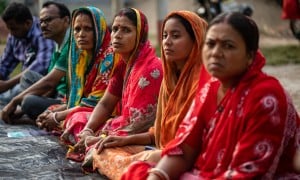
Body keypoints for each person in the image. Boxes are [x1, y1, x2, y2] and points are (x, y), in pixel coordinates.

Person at [122, 12, 300, 180]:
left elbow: (248, 173)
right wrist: (158, 175)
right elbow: (183, 150)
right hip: (205, 172)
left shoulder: (266, 97)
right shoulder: (209, 89)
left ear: (250, 56)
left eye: (228, 46)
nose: (216, 52)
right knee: (138, 171)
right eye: (211, 44)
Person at [87, 11, 207, 179]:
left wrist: (141, 150)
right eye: (164, 35)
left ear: (196, 40)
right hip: (162, 150)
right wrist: (123, 140)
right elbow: (157, 132)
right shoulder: (171, 80)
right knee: (104, 150)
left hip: (186, 158)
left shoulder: (201, 84)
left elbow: (190, 145)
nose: (167, 42)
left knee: (118, 158)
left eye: (176, 36)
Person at [62, 7, 163, 163]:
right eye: (115, 29)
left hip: (140, 133)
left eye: (126, 30)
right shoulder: (123, 64)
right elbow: (106, 103)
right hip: (121, 123)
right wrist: (89, 130)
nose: (117, 35)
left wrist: (99, 137)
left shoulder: (151, 70)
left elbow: (137, 124)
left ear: (140, 36)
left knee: (102, 151)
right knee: (78, 120)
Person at [35, 6, 118, 135]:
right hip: (85, 107)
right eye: (77, 29)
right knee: (50, 110)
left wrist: (58, 117)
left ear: (99, 30)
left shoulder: (109, 57)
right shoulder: (80, 57)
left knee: (75, 120)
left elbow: (95, 103)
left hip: (106, 111)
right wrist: (53, 113)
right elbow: (74, 100)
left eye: (88, 29)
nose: (81, 34)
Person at [1, 1, 70, 124]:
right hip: (53, 92)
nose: (43, 25)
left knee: (27, 100)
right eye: (41, 21)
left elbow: (49, 82)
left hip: (67, 100)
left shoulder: (71, 45)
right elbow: (51, 86)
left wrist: (15, 101)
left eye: (48, 20)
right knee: (27, 78)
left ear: (66, 21)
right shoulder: (57, 44)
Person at [0, 2, 54, 109]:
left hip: (43, 84)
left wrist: (7, 84)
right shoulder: (14, 36)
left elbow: (40, 67)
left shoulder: (42, 32)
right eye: (9, 29)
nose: (11, 33)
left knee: (14, 95)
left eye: (14, 29)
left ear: (28, 23)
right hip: (23, 83)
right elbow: (5, 64)